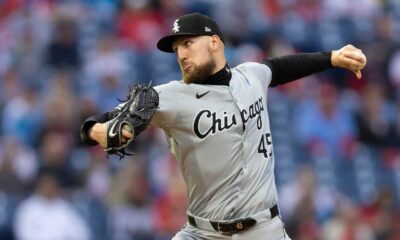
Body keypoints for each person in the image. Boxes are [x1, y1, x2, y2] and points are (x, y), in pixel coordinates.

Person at [81, 12, 367, 240]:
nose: (181, 54)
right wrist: (97, 131)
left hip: (263, 231)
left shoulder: (251, 76)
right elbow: (101, 122)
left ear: (214, 42)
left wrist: (331, 58)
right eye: (177, 48)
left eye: (188, 43)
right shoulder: (171, 96)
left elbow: (281, 67)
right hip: (202, 233)